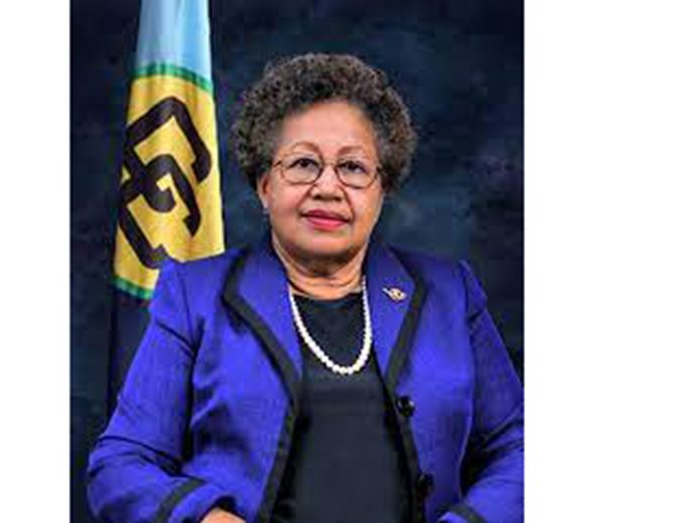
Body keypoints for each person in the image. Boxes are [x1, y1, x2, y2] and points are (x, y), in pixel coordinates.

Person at [87, 53, 523, 523]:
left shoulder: (450, 293)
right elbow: (120, 466)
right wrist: (206, 519)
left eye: (353, 168)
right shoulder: (196, 295)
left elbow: (518, 448)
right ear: (264, 185)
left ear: (382, 188)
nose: (328, 188)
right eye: (303, 164)